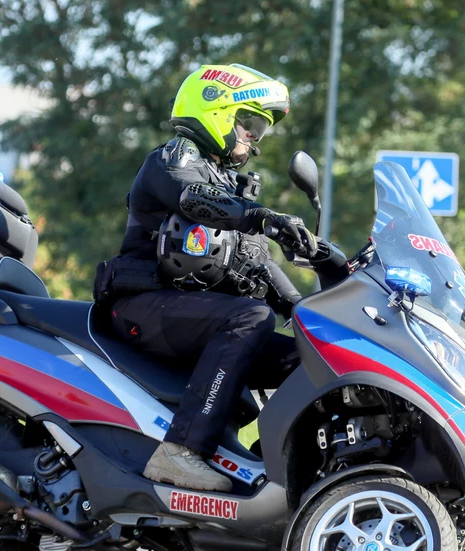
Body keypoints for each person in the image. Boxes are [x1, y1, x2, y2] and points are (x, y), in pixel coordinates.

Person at [104, 64, 316, 492]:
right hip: (144, 305)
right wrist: (262, 217)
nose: (254, 138)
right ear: (216, 111)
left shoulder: (228, 185)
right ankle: (179, 453)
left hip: (189, 316)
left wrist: (305, 311)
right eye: (250, 124)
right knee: (250, 317)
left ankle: (287, 465)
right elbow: (194, 200)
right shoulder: (172, 161)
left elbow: (256, 264)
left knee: (309, 355)